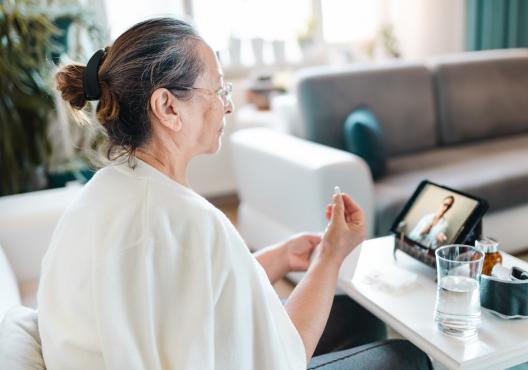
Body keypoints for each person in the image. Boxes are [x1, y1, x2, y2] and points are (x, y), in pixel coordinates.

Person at [38, 18, 431, 370]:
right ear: (167, 107)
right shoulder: (190, 221)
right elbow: (284, 358)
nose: (227, 106)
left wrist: (274, 259)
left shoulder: (102, 194)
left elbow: (187, 298)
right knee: (407, 357)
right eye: (218, 89)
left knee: (354, 315)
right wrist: (331, 256)